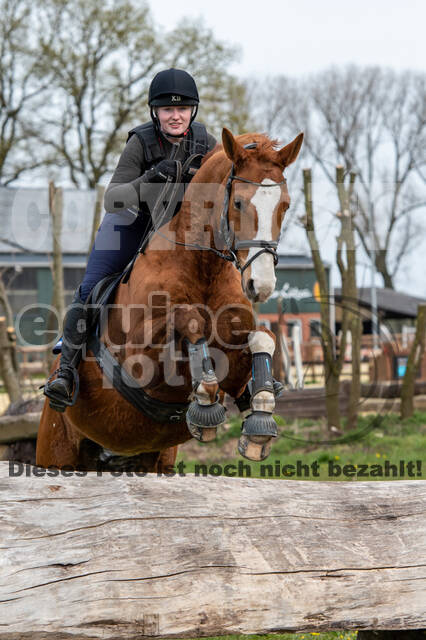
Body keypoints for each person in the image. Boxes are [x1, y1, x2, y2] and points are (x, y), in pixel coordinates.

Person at [43, 68, 217, 412]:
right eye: (167, 109)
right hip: (129, 223)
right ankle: (64, 373)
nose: (175, 115)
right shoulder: (140, 142)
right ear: (155, 112)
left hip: (176, 234)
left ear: (193, 111)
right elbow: (113, 199)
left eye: (182, 109)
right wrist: (150, 178)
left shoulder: (206, 144)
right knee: (91, 288)